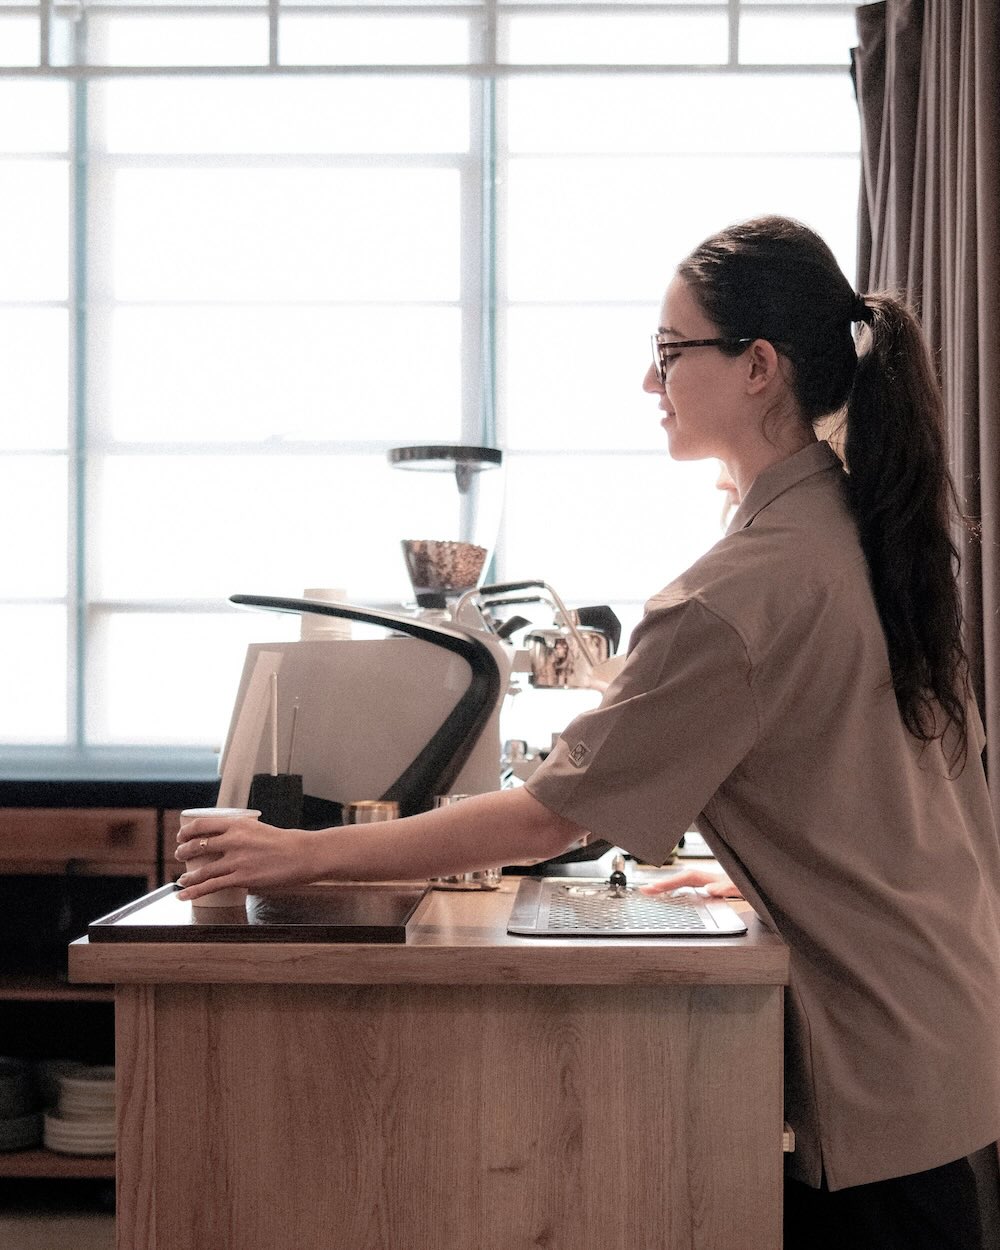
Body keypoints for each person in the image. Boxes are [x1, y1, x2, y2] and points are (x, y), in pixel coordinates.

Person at [176, 215, 1000, 1249]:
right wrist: (768, 873)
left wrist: (297, 854)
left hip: (876, 1064)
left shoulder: (739, 589)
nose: (648, 382)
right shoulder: (852, 525)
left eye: (669, 353)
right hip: (945, 1032)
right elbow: (880, 780)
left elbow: (546, 817)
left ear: (756, 367)